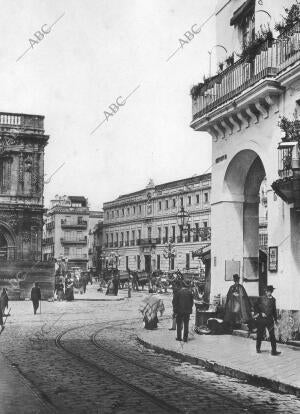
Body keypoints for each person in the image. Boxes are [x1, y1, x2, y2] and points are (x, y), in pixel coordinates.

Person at [254, 285, 281, 356]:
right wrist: (260, 313)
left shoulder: (273, 299)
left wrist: (275, 320)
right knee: (259, 334)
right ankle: (258, 348)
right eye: (267, 291)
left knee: (272, 335)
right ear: (265, 291)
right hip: (262, 320)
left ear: (271, 292)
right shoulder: (261, 298)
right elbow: (255, 306)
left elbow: (274, 311)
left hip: (269, 320)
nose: (268, 292)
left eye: (269, 291)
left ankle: (274, 351)